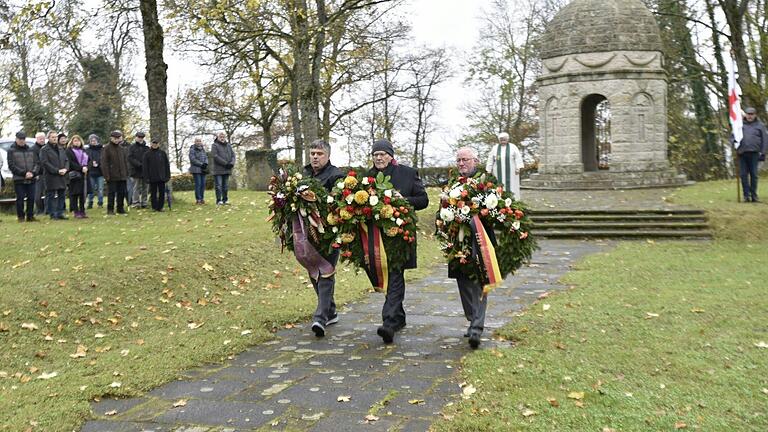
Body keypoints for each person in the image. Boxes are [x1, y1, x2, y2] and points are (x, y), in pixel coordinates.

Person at [367, 138, 429, 344]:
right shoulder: (368, 177)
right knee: (388, 276)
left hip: (400, 235)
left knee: (395, 274)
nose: (378, 158)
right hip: (376, 238)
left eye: (382, 154)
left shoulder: (408, 173)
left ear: (391, 155)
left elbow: (423, 201)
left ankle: (389, 322)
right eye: (375, 155)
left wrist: (402, 200)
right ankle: (399, 317)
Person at [451, 147, 495, 349]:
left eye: (465, 159)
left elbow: (496, 208)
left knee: (479, 283)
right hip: (458, 242)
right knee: (463, 284)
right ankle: (472, 318)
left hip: (481, 240)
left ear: (475, 161)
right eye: (459, 160)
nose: (461, 163)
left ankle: (477, 327)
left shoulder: (487, 182)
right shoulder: (452, 184)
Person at [302, 139, 345, 337]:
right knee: (314, 271)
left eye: (319, 153)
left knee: (325, 272)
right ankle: (331, 311)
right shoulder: (303, 174)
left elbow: (339, 202)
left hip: (329, 233)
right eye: (312, 153)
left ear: (327, 156)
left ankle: (320, 318)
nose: (315, 157)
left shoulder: (336, 176)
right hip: (306, 233)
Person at [7, 131, 40, 222]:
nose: (22, 141)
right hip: (19, 179)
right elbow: (11, 165)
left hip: (31, 178)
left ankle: (30, 216)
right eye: (20, 139)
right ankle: (21, 216)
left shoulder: (30, 150)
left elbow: (37, 163)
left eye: (23, 139)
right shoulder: (11, 150)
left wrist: (33, 173)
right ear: (16, 139)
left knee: (31, 198)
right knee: (20, 198)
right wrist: (24, 173)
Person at [738, 107, 768, 202]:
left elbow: (765, 140)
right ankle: (746, 196)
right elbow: (733, 136)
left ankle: (754, 196)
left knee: (754, 175)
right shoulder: (739, 125)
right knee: (743, 175)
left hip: (755, 154)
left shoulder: (760, 126)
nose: (749, 116)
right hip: (742, 153)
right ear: (745, 115)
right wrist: (735, 145)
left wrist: (763, 152)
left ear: (755, 115)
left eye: (751, 114)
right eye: (748, 114)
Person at [485, 132, 524, 200]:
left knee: (512, 187)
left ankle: (513, 200)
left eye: (504, 139)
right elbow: (490, 159)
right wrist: (489, 169)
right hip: (497, 173)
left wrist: (518, 167)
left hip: (511, 173)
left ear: (508, 139)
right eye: (501, 139)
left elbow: (518, 157)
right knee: (498, 187)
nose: (503, 140)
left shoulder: (513, 147)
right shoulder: (495, 148)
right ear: (499, 140)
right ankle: (499, 200)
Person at [41, 132, 70, 220]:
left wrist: (65, 169)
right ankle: (52, 214)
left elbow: (66, 160)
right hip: (51, 176)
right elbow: (45, 163)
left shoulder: (61, 148)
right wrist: (56, 171)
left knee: (62, 194)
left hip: (62, 175)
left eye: (56, 137)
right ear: (48, 138)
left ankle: (60, 212)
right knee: (51, 195)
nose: (55, 139)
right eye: (53, 137)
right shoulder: (44, 149)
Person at [101, 130, 130, 215]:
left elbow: (125, 162)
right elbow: (104, 163)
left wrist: (126, 173)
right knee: (111, 193)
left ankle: (120, 208)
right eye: (115, 138)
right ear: (111, 138)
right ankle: (110, 209)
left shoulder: (122, 149)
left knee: (122, 193)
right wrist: (106, 175)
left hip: (122, 175)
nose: (117, 140)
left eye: (118, 138)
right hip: (112, 175)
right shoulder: (106, 148)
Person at [143, 138, 171, 212]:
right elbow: (145, 167)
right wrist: (146, 177)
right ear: (151, 144)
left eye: (156, 143)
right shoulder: (147, 154)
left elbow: (166, 165)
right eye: (153, 143)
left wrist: (167, 176)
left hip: (162, 177)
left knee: (162, 193)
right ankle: (154, 207)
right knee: (153, 193)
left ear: (158, 144)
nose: (155, 145)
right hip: (152, 177)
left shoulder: (162, 153)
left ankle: (160, 207)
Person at [65, 135, 89, 218]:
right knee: (74, 194)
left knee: (83, 194)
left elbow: (88, 160)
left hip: (83, 175)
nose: (77, 142)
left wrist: (86, 167)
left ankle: (82, 211)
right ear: (72, 142)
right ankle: (76, 211)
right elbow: (70, 162)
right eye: (75, 141)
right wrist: (81, 168)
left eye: (78, 141)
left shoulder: (84, 150)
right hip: (74, 175)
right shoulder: (69, 151)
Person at [211, 132, 235, 205]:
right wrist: (225, 163)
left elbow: (233, 155)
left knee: (225, 186)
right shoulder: (214, 145)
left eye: (223, 136)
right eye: (220, 137)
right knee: (219, 186)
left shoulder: (228, 145)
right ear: (217, 137)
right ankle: (219, 200)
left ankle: (225, 199)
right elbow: (215, 156)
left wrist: (231, 163)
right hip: (218, 170)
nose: (222, 138)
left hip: (227, 169)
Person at [128, 131, 149, 208]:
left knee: (145, 187)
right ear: (136, 137)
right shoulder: (132, 147)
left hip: (145, 171)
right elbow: (130, 158)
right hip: (135, 170)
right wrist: (138, 164)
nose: (140, 139)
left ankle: (144, 202)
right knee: (136, 187)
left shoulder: (146, 148)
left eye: (141, 137)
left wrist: (145, 165)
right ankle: (135, 202)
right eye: (139, 137)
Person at [86, 134, 105, 208]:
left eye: (94, 140)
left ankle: (100, 203)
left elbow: (103, 159)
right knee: (91, 189)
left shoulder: (101, 149)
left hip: (100, 172)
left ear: (97, 141)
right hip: (91, 172)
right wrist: (91, 163)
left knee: (100, 189)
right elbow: (86, 160)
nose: (93, 142)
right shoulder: (87, 150)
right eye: (91, 140)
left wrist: (98, 163)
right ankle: (90, 203)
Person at [188, 137, 209, 205]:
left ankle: (202, 199)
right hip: (196, 169)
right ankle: (198, 199)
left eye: (200, 141)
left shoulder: (203, 149)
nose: (198, 142)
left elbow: (206, 157)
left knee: (203, 185)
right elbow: (193, 159)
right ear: (195, 142)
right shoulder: (192, 149)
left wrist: (205, 163)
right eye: (197, 141)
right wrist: (201, 164)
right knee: (198, 184)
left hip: (203, 170)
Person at [31, 132, 47, 214]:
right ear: (36, 139)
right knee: (38, 194)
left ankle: (47, 209)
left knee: (47, 193)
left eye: (43, 138)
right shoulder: (33, 149)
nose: (42, 140)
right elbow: (35, 162)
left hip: (47, 173)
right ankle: (39, 210)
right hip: (39, 174)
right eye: (40, 138)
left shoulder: (47, 148)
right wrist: (35, 173)